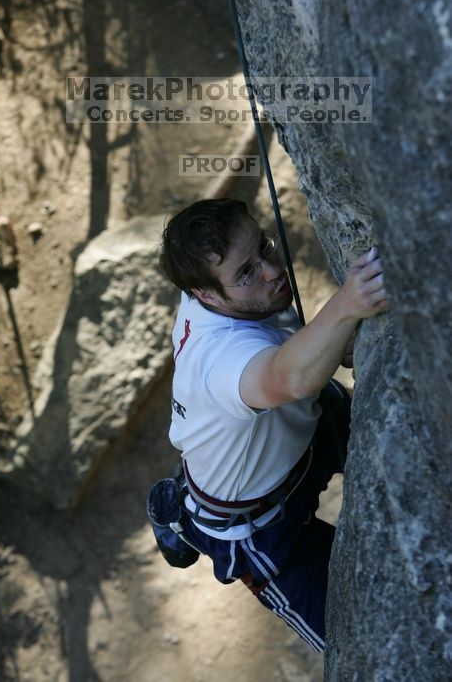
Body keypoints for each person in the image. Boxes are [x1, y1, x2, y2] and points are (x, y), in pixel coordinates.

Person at [159, 198, 388, 651]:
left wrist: (333, 339)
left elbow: (299, 367)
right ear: (205, 295)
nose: (270, 270)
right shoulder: (218, 359)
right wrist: (348, 304)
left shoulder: (220, 291)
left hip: (299, 432)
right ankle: (183, 518)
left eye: (264, 246)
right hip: (261, 530)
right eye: (246, 272)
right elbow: (290, 376)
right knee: (360, 643)